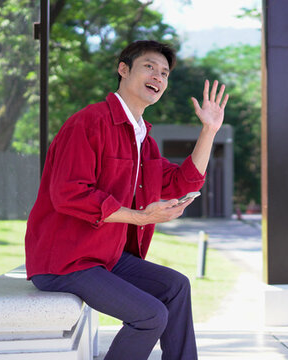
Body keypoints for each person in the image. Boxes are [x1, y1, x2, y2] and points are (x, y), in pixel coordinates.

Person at [24, 40, 228, 360]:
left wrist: (209, 130)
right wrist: (140, 217)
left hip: (106, 256)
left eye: (164, 73)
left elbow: (180, 182)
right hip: (66, 261)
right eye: (149, 67)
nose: (158, 76)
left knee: (176, 287)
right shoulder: (89, 122)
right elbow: (68, 194)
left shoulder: (142, 136)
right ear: (123, 69)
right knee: (150, 316)